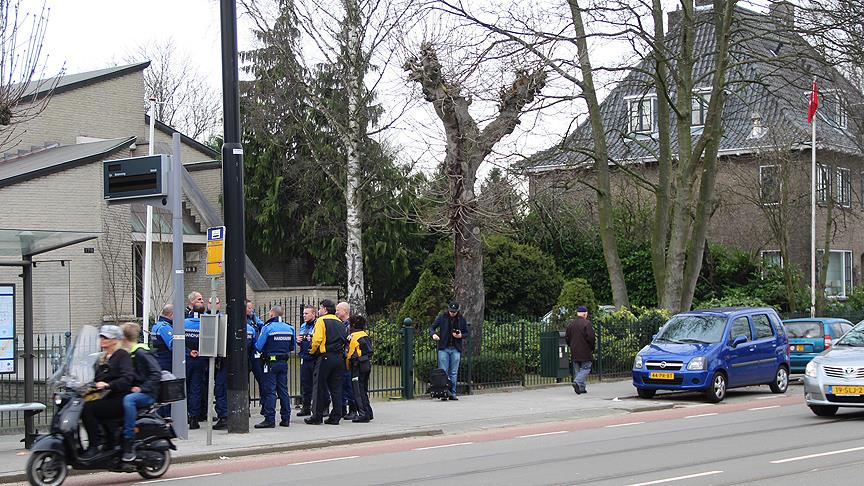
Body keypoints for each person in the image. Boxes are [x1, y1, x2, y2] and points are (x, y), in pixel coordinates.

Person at [81, 325, 134, 457]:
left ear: (115, 340)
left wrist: (108, 385)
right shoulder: (103, 357)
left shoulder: (122, 355)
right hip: (106, 396)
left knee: (88, 409)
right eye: (101, 337)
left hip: (118, 397)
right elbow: (96, 377)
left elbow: (127, 378)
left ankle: (94, 445)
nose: (102, 339)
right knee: (81, 404)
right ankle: (108, 441)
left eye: (106, 337)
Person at [120, 322, 161, 461]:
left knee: (129, 400)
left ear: (124, 339)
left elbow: (156, 373)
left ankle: (128, 439)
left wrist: (142, 388)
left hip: (147, 395)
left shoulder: (141, 352)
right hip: (137, 391)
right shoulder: (129, 354)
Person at [305, 299, 346, 425]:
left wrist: (311, 350)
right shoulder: (340, 322)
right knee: (336, 388)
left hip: (325, 356)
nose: (318, 311)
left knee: (319, 387)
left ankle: (317, 416)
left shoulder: (321, 321)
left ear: (325, 309)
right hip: (339, 357)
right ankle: (336, 416)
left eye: (320, 308)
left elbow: (317, 339)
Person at [255, 306, 296, 428]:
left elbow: (258, 346)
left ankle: (269, 419)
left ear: (271, 314)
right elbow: (292, 347)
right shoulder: (290, 328)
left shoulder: (268, 328)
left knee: (270, 391)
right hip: (283, 363)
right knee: (283, 390)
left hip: (270, 363)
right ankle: (286, 419)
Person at [430, 302, 469, 400]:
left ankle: (452, 393)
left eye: (454, 311)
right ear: (448, 309)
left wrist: (460, 335)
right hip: (444, 348)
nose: (452, 313)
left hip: (455, 348)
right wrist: (433, 334)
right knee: (444, 372)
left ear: (457, 311)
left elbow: (466, 332)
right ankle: (444, 393)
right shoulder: (442, 317)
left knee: (453, 372)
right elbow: (432, 327)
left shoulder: (461, 319)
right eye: (451, 311)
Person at [184, 300, 207, 429]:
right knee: (196, 390)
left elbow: (177, 341)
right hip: (200, 359)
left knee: (185, 388)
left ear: (192, 311)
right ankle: (194, 418)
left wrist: (188, 352)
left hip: (186, 359)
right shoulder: (206, 324)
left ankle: (186, 415)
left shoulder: (183, 323)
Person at [346, 315, 373, 423]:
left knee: (357, 390)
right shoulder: (365, 335)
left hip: (357, 366)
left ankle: (362, 414)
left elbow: (349, 353)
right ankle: (368, 412)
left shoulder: (353, 336)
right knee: (363, 389)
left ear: (352, 325)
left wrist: (347, 366)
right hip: (366, 364)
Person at [565, 306, 596, 395]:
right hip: (585, 350)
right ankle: (577, 382)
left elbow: (567, 337)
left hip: (574, 350)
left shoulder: (571, 324)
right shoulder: (587, 323)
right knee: (586, 367)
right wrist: (592, 347)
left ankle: (581, 388)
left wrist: (571, 345)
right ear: (585, 313)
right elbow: (591, 338)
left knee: (577, 369)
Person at [335, 301, 357, 421]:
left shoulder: (350, 326)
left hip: (348, 358)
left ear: (344, 311)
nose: (336, 312)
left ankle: (353, 409)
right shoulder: (340, 324)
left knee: (349, 384)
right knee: (341, 383)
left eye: (338, 310)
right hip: (341, 358)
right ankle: (342, 408)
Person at [297, 304, 318, 417]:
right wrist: (298, 340)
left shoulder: (318, 325)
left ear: (313, 314)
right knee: (305, 384)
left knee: (317, 384)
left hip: (314, 357)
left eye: (306, 313)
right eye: (303, 313)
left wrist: (311, 339)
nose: (304, 315)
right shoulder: (303, 326)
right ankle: (306, 407)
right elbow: (300, 340)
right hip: (304, 357)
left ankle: (320, 407)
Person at [246, 299, 265, 396]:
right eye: (249, 308)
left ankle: (264, 403)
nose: (251, 310)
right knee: (244, 382)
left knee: (261, 379)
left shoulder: (254, 318)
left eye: (252, 307)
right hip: (246, 355)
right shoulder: (242, 320)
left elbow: (263, 326)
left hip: (256, 354)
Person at [150, 305, 174, 373]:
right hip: (166, 362)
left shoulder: (156, 325)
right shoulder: (165, 327)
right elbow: (173, 346)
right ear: (171, 314)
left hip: (158, 359)